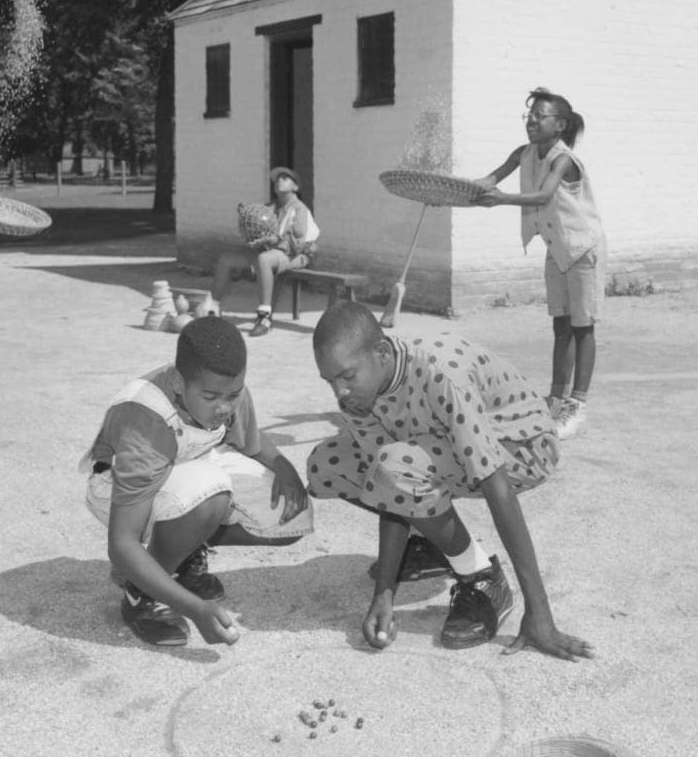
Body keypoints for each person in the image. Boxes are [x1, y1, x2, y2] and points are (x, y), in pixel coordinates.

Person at [308, 302, 593, 660]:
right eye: (330, 381)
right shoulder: (356, 399)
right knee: (327, 465)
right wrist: (384, 593)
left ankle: (482, 576)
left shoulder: (441, 375)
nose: (340, 392)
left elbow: (497, 486)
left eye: (347, 376)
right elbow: (389, 490)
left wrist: (540, 614)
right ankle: (433, 539)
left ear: (381, 353)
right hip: (439, 448)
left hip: (520, 446)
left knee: (396, 465)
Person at [79, 316, 314, 648]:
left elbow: (254, 443)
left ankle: (183, 551)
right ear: (178, 383)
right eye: (211, 396)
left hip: (186, 470)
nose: (224, 406)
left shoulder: (227, 390)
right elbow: (121, 544)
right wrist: (193, 608)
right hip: (115, 488)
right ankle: (140, 594)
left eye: (233, 394)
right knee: (211, 492)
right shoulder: (145, 419)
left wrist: (286, 471)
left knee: (292, 516)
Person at [472, 88, 606, 439]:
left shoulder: (564, 159)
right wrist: (458, 193)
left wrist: (499, 200)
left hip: (582, 249)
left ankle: (578, 404)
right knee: (561, 327)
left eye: (539, 116)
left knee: (583, 326)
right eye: (528, 116)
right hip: (557, 250)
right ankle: (556, 400)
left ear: (559, 125)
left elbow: (545, 195)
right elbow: (489, 180)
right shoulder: (524, 153)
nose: (531, 122)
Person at [207, 166, 320, 337]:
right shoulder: (270, 207)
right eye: (277, 179)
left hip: (296, 255)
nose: (279, 181)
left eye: (285, 178)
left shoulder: (299, 209)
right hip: (272, 251)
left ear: (295, 187)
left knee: (264, 260)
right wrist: (246, 217)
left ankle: (264, 317)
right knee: (227, 259)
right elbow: (259, 230)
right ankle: (212, 307)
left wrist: (272, 241)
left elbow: (298, 244)